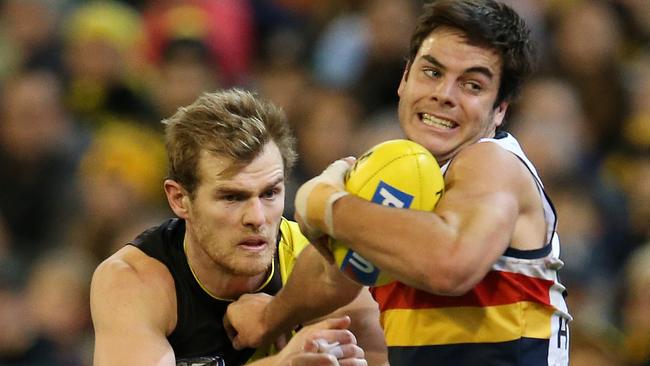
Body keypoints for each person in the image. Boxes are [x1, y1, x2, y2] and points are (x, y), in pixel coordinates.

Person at [225, 1, 572, 365]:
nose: (444, 95)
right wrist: (270, 317)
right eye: (432, 72)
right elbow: (336, 273)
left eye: (472, 84)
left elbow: (449, 264)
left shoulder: (493, 163)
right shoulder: (401, 171)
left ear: (499, 109)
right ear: (405, 78)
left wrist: (326, 205)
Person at [90, 89, 385, 365]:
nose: (256, 217)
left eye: (270, 193)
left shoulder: (321, 267)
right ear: (180, 199)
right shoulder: (134, 281)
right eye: (232, 197)